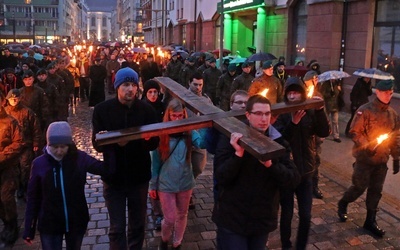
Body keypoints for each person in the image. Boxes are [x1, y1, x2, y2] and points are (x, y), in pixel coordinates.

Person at [212, 94, 300, 250]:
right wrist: (238, 155)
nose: (264, 118)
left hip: (262, 219)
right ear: (248, 115)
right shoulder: (230, 138)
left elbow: (292, 179)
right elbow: (221, 176)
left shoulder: (278, 142)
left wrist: (271, 165)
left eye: (267, 114)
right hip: (233, 218)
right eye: (258, 114)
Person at [92, 67, 160, 249]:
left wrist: (148, 140)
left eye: (133, 84)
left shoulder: (147, 110)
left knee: (138, 225)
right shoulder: (102, 110)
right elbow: (96, 144)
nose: (130, 89)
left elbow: (154, 143)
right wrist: (110, 141)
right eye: (125, 85)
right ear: (117, 86)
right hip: (114, 177)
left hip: (138, 176)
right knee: (117, 227)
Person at [23, 121, 110, 250]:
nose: (59, 151)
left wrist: (108, 144)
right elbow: (33, 198)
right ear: (48, 144)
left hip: (76, 220)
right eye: (55, 147)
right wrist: (29, 228)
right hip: (49, 223)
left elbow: (105, 169)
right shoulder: (39, 164)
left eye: (63, 147)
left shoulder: (79, 158)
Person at [337, 80, 400, 237]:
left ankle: (370, 221)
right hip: (364, 160)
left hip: (381, 161)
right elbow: (354, 132)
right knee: (359, 187)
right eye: (386, 92)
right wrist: (367, 146)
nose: (389, 95)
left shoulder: (392, 114)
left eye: (391, 93)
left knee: (376, 191)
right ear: (377, 92)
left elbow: (395, 137)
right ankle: (344, 202)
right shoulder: (365, 110)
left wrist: (396, 157)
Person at [273, 77, 330, 250]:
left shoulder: (310, 111)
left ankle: (301, 246)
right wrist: (293, 123)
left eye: (296, 92)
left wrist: (320, 111)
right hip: (288, 173)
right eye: (290, 93)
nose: (292, 96)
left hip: (306, 172)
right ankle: (286, 245)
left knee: (306, 215)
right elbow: (280, 141)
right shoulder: (281, 114)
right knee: (287, 214)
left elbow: (324, 131)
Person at [149, 98, 206, 250]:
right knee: (170, 217)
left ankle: (177, 243)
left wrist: (206, 124)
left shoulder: (189, 132)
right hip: (166, 183)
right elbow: (155, 163)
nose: (177, 119)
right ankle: (164, 240)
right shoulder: (161, 134)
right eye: (174, 116)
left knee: (182, 214)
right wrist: (153, 185)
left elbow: (202, 143)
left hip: (185, 182)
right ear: (168, 115)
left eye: (180, 116)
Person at [4, 89, 41, 200]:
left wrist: (36, 142)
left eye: (16, 98)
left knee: (25, 167)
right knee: (13, 169)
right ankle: (16, 187)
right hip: (10, 146)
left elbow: (35, 127)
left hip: (25, 144)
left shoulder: (27, 112)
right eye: (12, 99)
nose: (14, 100)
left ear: (19, 98)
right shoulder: (5, 112)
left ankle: (25, 188)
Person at [0, 91, 24, 247]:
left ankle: (12, 225)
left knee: (6, 197)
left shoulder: (10, 122)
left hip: (7, 167)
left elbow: (18, 143)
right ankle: (6, 223)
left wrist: (2, 156)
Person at [141, 79, 165, 230]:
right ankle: (156, 211)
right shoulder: (141, 107)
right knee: (152, 178)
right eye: (150, 92)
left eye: (155, 92)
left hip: (162, 145)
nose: (153, 95)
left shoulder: (162, 107)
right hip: (147, 147)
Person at [303, 70, 326, 199]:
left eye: (317, 79)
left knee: (315, 161)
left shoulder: (318, 94)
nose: (316, 81)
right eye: (314, 79)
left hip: (315, 134)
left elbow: (323, 112)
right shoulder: (301, 93)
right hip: (304, 132)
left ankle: (314, 186)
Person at [319, 78, 342, 142]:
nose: (333, 79)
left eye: (334, 78)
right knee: (325, 120)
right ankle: (323, 134)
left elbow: (337, 94)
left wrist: (339, 91)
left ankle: (336, 136)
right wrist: (329, 94)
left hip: (335, 106)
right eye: (332, 78)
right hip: (327, 105)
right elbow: (322, 93)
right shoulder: (325, 84)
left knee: (335, 121)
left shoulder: (336, 84)